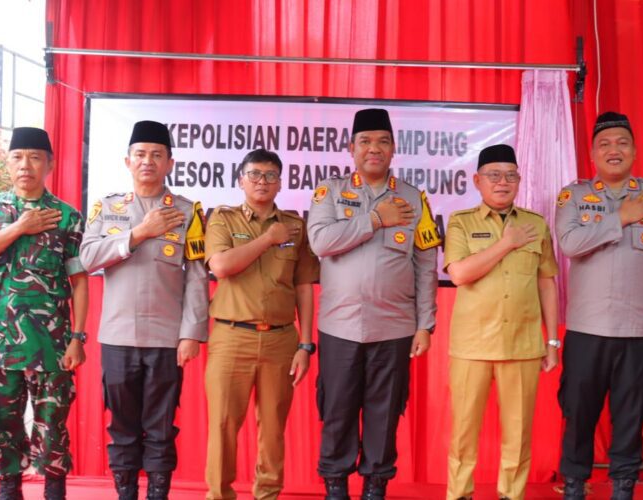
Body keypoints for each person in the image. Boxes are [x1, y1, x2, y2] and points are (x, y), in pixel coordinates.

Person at [307, 108, 441, 500]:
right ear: (351, 148)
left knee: (385, 413)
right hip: (340, 327)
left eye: (382, 141)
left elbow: (426, 265)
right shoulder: (330, 192)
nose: (374, 148)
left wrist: (425, 324)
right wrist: (375, 220)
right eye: (365, 141)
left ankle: (375, 486)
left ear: (394, 148)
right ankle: (335, 485)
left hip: (395, 327)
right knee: (338, 409)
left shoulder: (414, 198)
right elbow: (320, 242)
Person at [555, 112, 643, 500]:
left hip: (640, 327)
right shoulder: (574, 196)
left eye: (622, 143)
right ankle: (575, 483)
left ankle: (624, 485)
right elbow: (570, 244)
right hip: (587, 327)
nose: (614, 150)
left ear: (634, 150)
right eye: (605, 144)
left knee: (632, 411)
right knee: (578, 409)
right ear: (593, 154)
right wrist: (620, 218)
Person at [0, 127, 88, 500]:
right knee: (1, 432)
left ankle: (54, 492)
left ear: (49, 164)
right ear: (8, 163)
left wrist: (78, 338)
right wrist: (19, 227)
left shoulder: (66, 216)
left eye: (34, 157)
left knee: (53, 433)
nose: (25, 165)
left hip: (52, 347)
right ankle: (9, 490)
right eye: (17, 157)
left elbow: (79, 281)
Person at [79, 120, 209, 500]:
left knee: (161, 428)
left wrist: (190, 333)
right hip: (118, 336)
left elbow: (197, 276)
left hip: (166, 339)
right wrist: (139, 233)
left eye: (156, 155)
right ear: (127, 161)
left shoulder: (188, 211)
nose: (147, 161)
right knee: (122, 427)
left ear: (170, 163)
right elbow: (86, 258)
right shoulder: (107, 208)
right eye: (140, 154)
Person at [443, 144, 560, 500]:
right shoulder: (461, 222)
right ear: (477, 180)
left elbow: (546, 283)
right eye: (493, 175)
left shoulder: (535, 224)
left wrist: (552, 341)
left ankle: (511, 494)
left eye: (510, 175)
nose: (502, 182)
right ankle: (459, 494)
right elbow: (460, 274)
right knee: (464, 432)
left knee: (518, 433)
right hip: (472, 346)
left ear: (519, 181)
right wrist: (506, 244)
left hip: (522, 344)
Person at [203, 148, 319, 499]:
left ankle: (267, 494)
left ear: (280, 183)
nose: (262, 182)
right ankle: (219, 495)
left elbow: (304, 287)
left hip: (280, 341)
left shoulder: (296, 226)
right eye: (254, 174)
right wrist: (268, 238)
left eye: (270, 176)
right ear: (241, 180)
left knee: (272, 429)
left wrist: (305, 344)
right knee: (223, 425)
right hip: (231, 336)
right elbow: (221, 266)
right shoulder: (223, 219)